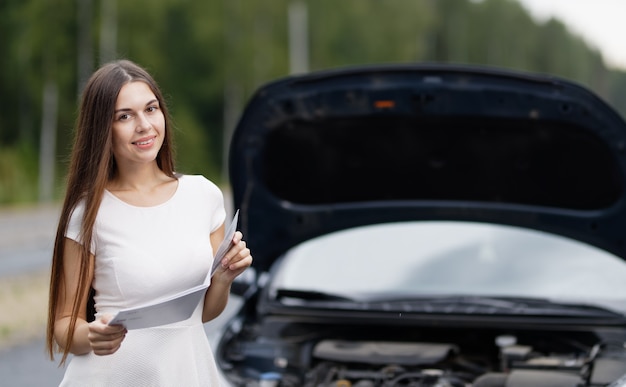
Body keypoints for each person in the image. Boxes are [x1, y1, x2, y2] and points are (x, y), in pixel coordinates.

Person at [46, 59, 252, 386]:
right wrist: (92, 335)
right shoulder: (88, 213)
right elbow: (64, 327)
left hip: (187, 373)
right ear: (102, 129)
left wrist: (224, 278)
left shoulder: (203, 196)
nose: (144, 125)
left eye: (151, 109)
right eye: (125, 116)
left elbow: (203, 312)